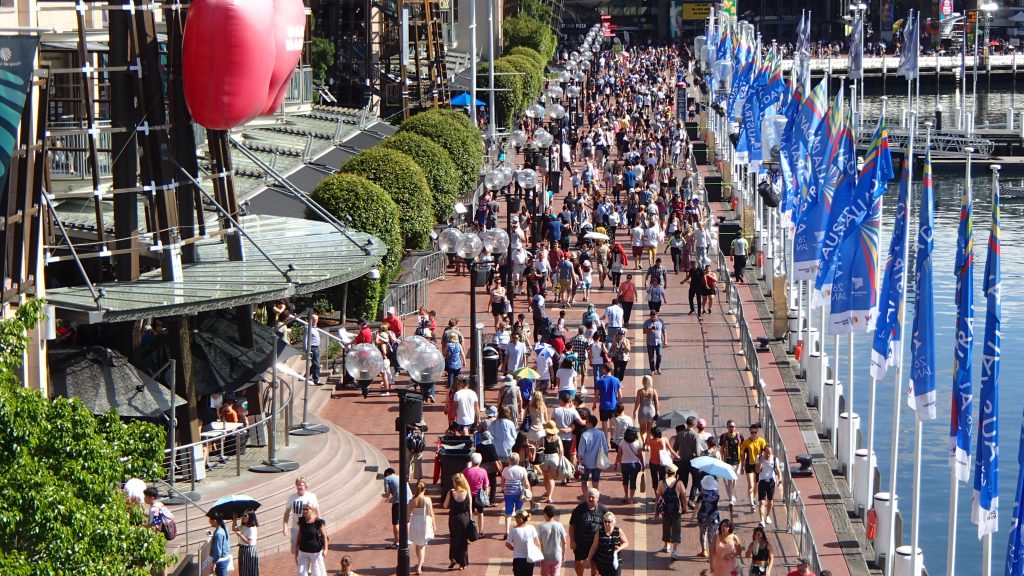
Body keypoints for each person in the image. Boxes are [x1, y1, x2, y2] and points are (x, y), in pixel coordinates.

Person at [569, 488, 609, 576]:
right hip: (581, 542)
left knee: (596, 566)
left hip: (596, 542)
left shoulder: (603, 510)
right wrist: (572, 540)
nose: (590, 499)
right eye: (589, 497)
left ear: (598, 498)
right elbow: (572, 525)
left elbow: (610, 524)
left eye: (593, 497)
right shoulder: (579, 509)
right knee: (579, 564)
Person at [444, 473, 474, 570]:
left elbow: (445, 505)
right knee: (463, 540)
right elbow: (469, 508)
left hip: (453, 518)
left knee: (453, 538)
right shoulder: (466, 492)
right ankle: (463, 563)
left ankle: (453, 558)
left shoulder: (451, 492)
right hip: (464, 518)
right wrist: (470, 519)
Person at [655, 463, 686, 559]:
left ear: (666, 472)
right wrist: (685, 507)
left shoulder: (661, 483)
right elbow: (683, 497)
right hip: (677, 510)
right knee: (676, 529)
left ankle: (666, 545)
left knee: (666, 527)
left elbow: (657, 497)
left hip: (665, 510)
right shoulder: (679, 483)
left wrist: (656, 510)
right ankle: (675, 550)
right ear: (675, 472)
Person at [586, 512, 629, 576]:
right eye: (605, 521)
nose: (606, 524)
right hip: (603, 563)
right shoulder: (600, 532)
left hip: (615, 562)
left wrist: (619, 548)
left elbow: (626, 542)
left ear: (613, 522)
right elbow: (594, 547)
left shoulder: (618, 531)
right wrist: (588, 559)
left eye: (609, 522)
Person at [284, 478, 320, 554]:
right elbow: (287, 513)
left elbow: (317, 511)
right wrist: (285, 526)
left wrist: (319, 526)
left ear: (305, 486)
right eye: (297, 485)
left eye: (301, 485)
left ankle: (306, 565)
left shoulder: (311, 496)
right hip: (296, 528)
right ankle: (299, 566)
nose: (299, 487)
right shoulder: (292, 498)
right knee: (296, 550)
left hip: (308, 528)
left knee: (308, 550)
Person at [577, 414, 609, 495]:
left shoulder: (584, 435)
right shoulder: (601, 434)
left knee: (584, 482)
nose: (585, 423)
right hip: (598, 463)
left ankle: (586, 497)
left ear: (590, 423)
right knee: (595, 482)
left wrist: (579, 462)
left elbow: (581, 452)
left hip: (586, 463)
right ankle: (595, 497)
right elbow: (605, 448)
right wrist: (606, 458)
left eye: (587, 422)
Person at [408, 481, 435, 574]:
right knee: (422, 545)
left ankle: (419, 560)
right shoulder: (427, 500)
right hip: (424, 522)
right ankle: (419, 567)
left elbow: (407, 514)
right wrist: (434, 525)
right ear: (425, 489)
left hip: (415, 522)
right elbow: (431, 513)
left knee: (417, 543)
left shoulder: (412, 500)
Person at [507, 509, 542, 576]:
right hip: (529, 558)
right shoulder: (532, 528)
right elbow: (538, 543)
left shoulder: (513, 530)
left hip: (517, 559)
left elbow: (507, 544)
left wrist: (514, 548)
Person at [381, 468, 410, 548]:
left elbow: (387, 494)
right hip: (409, 500)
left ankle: (397, 542)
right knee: (406, 521)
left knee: (396, 522)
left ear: (386, 474)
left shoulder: (387, 478)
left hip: (398, 501)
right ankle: (406, 540)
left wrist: (383, 495)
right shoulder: (400, 477)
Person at [295, 505, 328, 576]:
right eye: (303, 509)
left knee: (318, 573)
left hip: (315, 552)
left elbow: (324, 536)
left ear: (312, 510)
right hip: (303, 551)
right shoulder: (301, 521)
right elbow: (299, 534)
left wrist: (325, 549)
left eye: (306, 509)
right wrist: (296, 547)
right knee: (301, 572)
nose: (304, 511)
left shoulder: (318, 522)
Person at [693, 475, 721, 558]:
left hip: (703, 516)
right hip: (714, 516)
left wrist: (693, 516)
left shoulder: (702, 494)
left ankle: (704, 550)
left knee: (702, 532)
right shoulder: (717, 494)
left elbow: (697, 506)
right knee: (711, 535)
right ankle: (712, 554)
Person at [739, 425, 767, 510]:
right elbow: (742, 454)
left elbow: (766, 451)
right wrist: (742, 466)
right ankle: (751, 503)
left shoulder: (761, 441)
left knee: (756, 484)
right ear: (750, 432)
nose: (753, 434)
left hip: (758, 465)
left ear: (757, 432)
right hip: (749, 465)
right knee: (751, 484)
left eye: (755, 432)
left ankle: (753, 498)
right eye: (752, 432)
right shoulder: (746, 442)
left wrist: (762, 462)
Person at [615, 423, 643, 504]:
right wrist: (643, 465)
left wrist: (616, 463)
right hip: (635, 464)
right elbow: (640, 455)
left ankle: (626, 495)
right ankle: (631, 498)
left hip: (624, 464)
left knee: (625, 480)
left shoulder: (622, 442)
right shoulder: (637, 442)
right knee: (633, 481)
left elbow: (619, 454)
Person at [592, 364, 622, 438]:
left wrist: (594, 403)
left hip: (603, 406)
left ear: (605, 369)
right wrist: (620, 403)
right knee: (612, 424)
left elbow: (596, 394)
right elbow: (620, 394)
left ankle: (605, 442)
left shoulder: (600, 381)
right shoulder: (616, 380)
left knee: (604, 425)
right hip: (613, 405)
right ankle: (612, 439)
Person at [538, 505, 568, 576]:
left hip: (545, 556)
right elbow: (564, 542)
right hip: (557, 555)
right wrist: (563, 555)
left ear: (545, 514)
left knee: (544, 574)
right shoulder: (559, 525)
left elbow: (538, 543)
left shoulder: (542, 527)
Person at [464, 452, 491, 534]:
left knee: (469, 513)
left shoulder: (466, 471)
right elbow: (486, 485)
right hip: (479, 495)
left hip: (469, 495)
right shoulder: (483, 471)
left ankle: (469, 530)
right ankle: (480, 530)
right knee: (480, 513)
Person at [719, 420, 744, 505]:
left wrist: (743, 462)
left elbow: (742, 449)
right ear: (727, 427)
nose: (731, 428)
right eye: (730, 426)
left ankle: (731, 494)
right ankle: (730, 499)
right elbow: (721, 449)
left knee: (734, 479)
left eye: (733, 426)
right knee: (730, 480)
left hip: (737, 461)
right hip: (727, 462)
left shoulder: (739, 436)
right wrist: (721, 460)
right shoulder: (723, 437)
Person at [756, 444, 781, 526]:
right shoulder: (759, 458)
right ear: (764, 452)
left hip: (771, 482)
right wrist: (761, 462)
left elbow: (778, 470)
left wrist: (779, 479)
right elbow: (757, 470)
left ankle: (768, 516)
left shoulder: (774, 459)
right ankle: (762, 520)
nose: (768, 454)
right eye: (767, 452)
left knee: (770, 501)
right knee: (762, 502)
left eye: (770, 453)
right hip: (762, 481)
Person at [633, 375, 660, 443]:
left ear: (643, 382)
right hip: (651, 411)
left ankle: (644, 442)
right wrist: (657, 411)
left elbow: (637, 402)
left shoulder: (640, 391)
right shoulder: (653, 391)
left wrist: (634, 411)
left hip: (642, 411)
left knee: (642, 430)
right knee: (650, 430)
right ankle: (647, 445)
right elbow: (656, 402)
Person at [233, 511, 260, 576]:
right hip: (242, 549)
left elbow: (249, 542)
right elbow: (234, 529)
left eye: (245, 516)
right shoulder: (243, 526)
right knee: (243, 569)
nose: (243, 517)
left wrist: (240, 535)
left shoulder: (252, 528)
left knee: (250, 569)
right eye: (243, 515)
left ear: (250, 517)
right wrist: (234, 519)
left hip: (249, 550)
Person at [642, 309, 667, 375]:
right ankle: (652, 369)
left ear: (657, 315)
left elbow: (664, 331)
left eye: (655, 316)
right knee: (651, 357)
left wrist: (665, 340)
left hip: (659, 341)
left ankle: (658, 367)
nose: (654, 318)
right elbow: (644, 331)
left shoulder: (661, 321)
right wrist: (649, 330)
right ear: (650, 316)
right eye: (652, 317)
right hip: (650, 342)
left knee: (659, 355)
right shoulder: (647, 322)